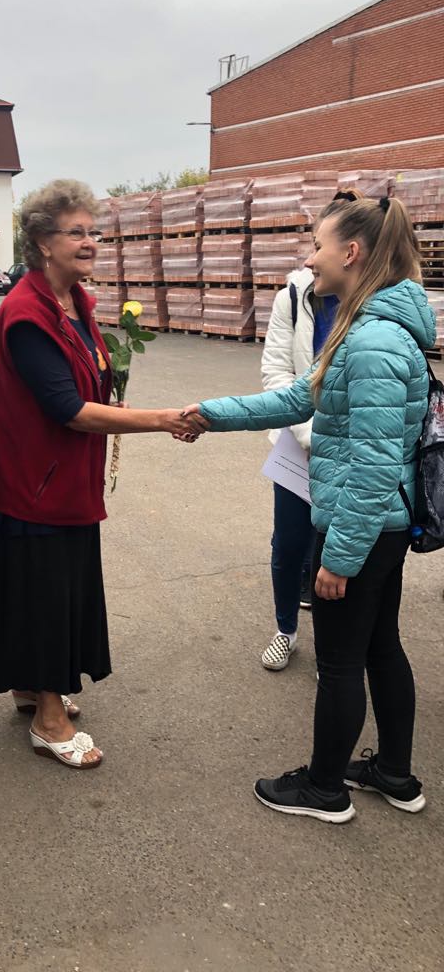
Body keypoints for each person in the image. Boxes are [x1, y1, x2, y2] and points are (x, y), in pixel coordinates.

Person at [182, 194, 435, 822]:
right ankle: (394, 775)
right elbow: (297, 399)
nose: (309, 258)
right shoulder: (367, 326)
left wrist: (340, 557)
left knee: (342, 660)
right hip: (380, 525)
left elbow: (375, 464)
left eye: (317, 245)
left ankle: (324, 790)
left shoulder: (374, 340)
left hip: (361, 524)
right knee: (381, 647)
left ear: (351, 253)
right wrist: (208, 415)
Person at [0, 179, 195, 769]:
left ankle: (29, 684)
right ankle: (49, 717)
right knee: (45, 595)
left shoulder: (75, 302)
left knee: (46, 588)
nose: (90, 243)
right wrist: (162, 419)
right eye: (77, 233)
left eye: (94, 233)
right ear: (42, 242)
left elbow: (87, 378)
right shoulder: (27, 313)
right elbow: (70, 410)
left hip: (62, 479)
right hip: (33, 484)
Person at [259, 268, 339, 670]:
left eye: (319, 244)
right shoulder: (293, 297)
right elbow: (277, 372)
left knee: (338, 551)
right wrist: (309, 435)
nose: (311, 256)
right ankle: (285, 631)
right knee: (289, 543)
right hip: (296, 442)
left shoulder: (375, 297)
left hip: (349, 448)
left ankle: (334, 646)